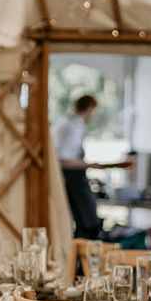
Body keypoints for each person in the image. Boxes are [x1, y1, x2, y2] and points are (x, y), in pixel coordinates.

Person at [51, 94, 128, 239]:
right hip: (71, 179)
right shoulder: (71, 125)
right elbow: (62, 159)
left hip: (74, 178)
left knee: (87, 222)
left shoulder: (68, 122)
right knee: (88, 223)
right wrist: (92, 165)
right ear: (90, 108)